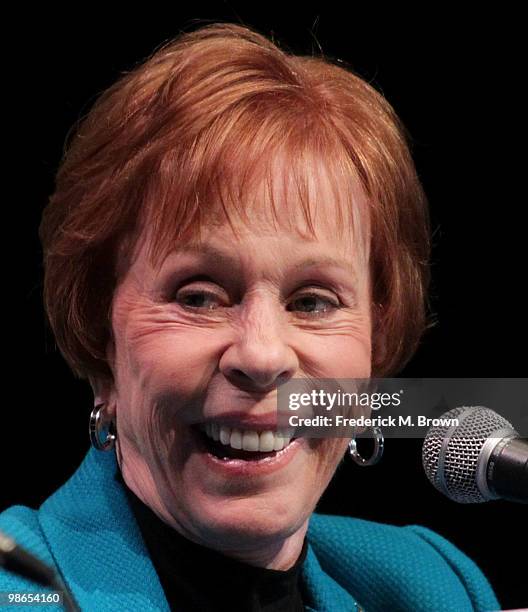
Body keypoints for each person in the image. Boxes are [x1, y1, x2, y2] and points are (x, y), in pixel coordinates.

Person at [0, 22, 500, 612]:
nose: (262, 357)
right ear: (101, 338)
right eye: (200, 297)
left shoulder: (432, 589)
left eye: (312, 302)